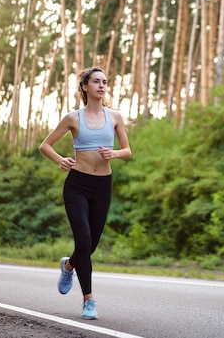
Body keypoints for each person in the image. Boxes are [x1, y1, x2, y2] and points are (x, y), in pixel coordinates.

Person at [39, 67, 132, 320]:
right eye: (96, 82)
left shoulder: (114, 117)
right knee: (84, 241)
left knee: (90, 246)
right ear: (84, 87)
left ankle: (68, 265)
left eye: (105, 82)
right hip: (77, 185)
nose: (102, 86)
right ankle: (88, 300)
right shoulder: (73, 118)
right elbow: (45, 145)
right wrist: (60, 160)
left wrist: (113, 153)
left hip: (103, 186)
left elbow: (127, 151)